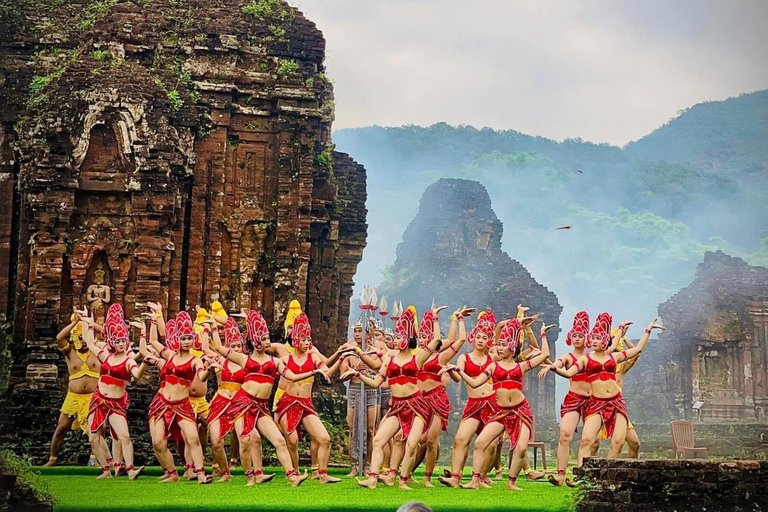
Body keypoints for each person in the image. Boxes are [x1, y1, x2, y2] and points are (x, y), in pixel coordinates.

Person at [443, 318, 553, 490]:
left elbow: (544, 354)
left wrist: (543, 334)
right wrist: (459, 371)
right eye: (498, 344)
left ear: (512, 347)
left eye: (503, 344)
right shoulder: (493, 367)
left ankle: (511, 482)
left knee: (521, 447)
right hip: (500, 412)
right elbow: (474, 383)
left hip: (520, 411)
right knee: (480, 443)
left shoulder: (521, 366)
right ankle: (474, 480)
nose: (499, 347)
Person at [209, 310, 315, 487]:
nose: (265, 342)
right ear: (253, 340)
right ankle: (251, 476)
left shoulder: (275, 362)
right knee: (244, 441)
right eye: (262, 338)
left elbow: (292, 376)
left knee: (279, 440)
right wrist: (211, 328)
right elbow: (219, 348)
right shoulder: (244, 359)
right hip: (242, 402)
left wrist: (313, 372)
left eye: (267, 338)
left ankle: (292, 477)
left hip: (261, 406)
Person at [345, 304, 446, 489]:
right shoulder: (389, 359)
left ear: (408, 339)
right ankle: (373, 479)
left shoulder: (417, 358)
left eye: (400, 337)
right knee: (378, 440)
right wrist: (358, 375)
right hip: (397, 406)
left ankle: (402, 479)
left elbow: (437, 340)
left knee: (411, 444)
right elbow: (376, 383)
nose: (396, 340)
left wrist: (435, 318)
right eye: (396, 336)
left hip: (416, 406)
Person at [545, 315, 664, 467]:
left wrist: (648, 330)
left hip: (616, 402)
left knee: (618, 442)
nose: (594, 341)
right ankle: (582, 475)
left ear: (604, 341)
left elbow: (638, 349)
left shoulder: (614, 357)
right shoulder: (585, 359)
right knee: (586, 440)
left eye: (597, 338)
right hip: (597, 403)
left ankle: (607, 475)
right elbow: (569, 373)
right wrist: (553, 367)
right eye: (593, 338)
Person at [141, 310, 215, 484]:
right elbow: (153, 342)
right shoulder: (170, 355)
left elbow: (201, 375)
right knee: (158, 442)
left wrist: (209, 371)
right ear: (178, 339)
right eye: (183, 338)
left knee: (193, 438)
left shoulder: (195, 360)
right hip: (161, 402)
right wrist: (153, 320)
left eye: (190, 338)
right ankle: (173, 474)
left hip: (182, 404)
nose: (187, 342)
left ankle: (201, 474)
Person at [275, 312, 343, 483]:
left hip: (306, 403)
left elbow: (327, 371)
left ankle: (323, 474)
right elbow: (288, 376)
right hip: (288, 402)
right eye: (304, 339)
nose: (307, 343)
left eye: (308, 339)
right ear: (296, 339)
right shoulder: (285, 359)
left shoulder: (313, 357)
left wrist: (341, 359)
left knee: (324, 438)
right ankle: (295, 474)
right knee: (292, 441)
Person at [81, 304, 147, 480]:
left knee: (124, 436)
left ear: (127, 341)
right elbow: (88, 342)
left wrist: (143, 336)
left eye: (123, 341)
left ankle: (130, 469)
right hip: (99, 399)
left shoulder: (129, 359)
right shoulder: (105, 355)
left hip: (116, 403)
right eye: (117, 341)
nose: (120, 344)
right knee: (93, 437)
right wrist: (87, 321)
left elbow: (138, 372)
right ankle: (105, 469)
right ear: (112, 342)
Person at [537, 311, 591, 486]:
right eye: (574, 335)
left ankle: (581, 476)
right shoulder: (568, 357)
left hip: (593, 401)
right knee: (565, 435)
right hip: (574, 399)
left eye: (580, 336)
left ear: (586, 338)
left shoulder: (592, 356)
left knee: (589, 440)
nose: (577, 339)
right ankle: (561, 475)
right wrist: (550, 367)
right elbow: (558, 363)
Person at [45, 311, 104, 467]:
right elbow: (59, 338)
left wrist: (87, 321)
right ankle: (52, 458)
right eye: (79, 338)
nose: (83, 342)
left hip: (93, 396)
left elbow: (105, 332)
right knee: (61, 428)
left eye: (85, 338)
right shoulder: (69, 352)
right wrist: (74, 323)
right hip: (73, 397)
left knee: (98, 428)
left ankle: (94, 458)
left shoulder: (97, 349)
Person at [207, 317, 246, 482]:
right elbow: (216, 347)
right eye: (233, 346)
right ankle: (224, 472)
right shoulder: (221, 360)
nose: (236, 348)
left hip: (239, 403)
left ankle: (252, 472)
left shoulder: (246, 363)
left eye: (239, 345)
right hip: (221, 401)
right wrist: (212, 327)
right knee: (216, 441)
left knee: (245, 439)